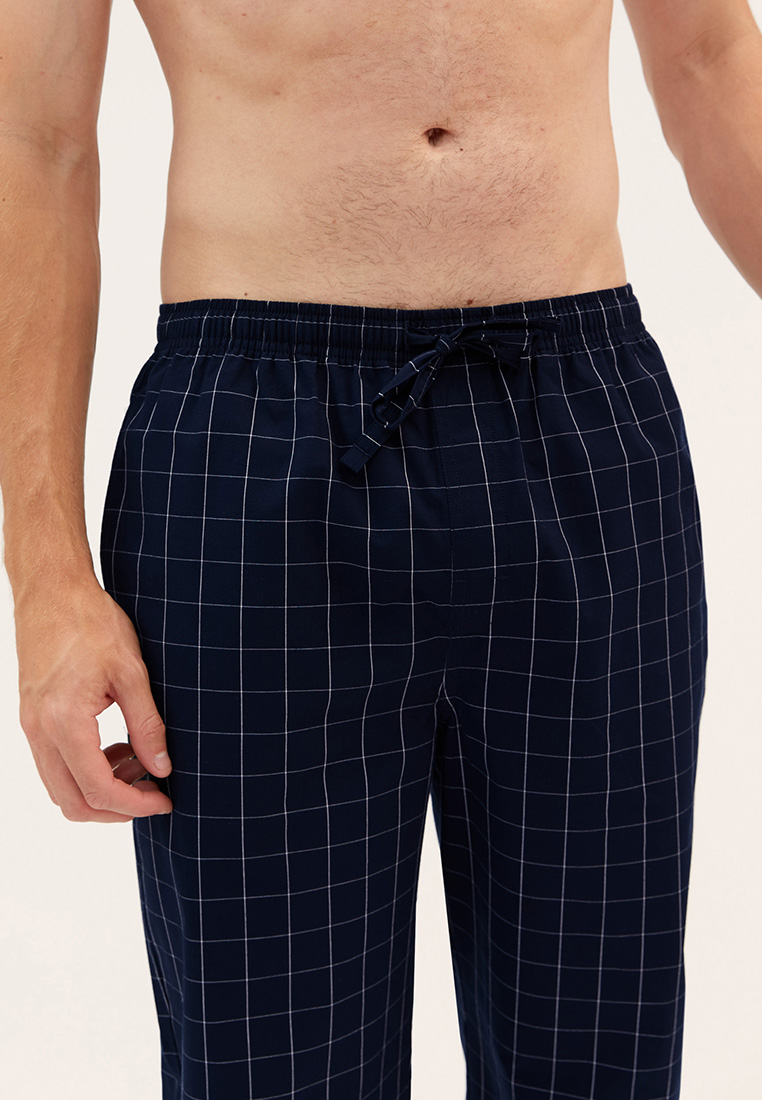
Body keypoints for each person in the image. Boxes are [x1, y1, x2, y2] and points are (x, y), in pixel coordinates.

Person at [1, 1, 759, 1097]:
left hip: (579, 415)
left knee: (600, 1056)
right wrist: (45, 577)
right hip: (252, 441)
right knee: (267, 1066)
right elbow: (34, 138)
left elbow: (710, 55)